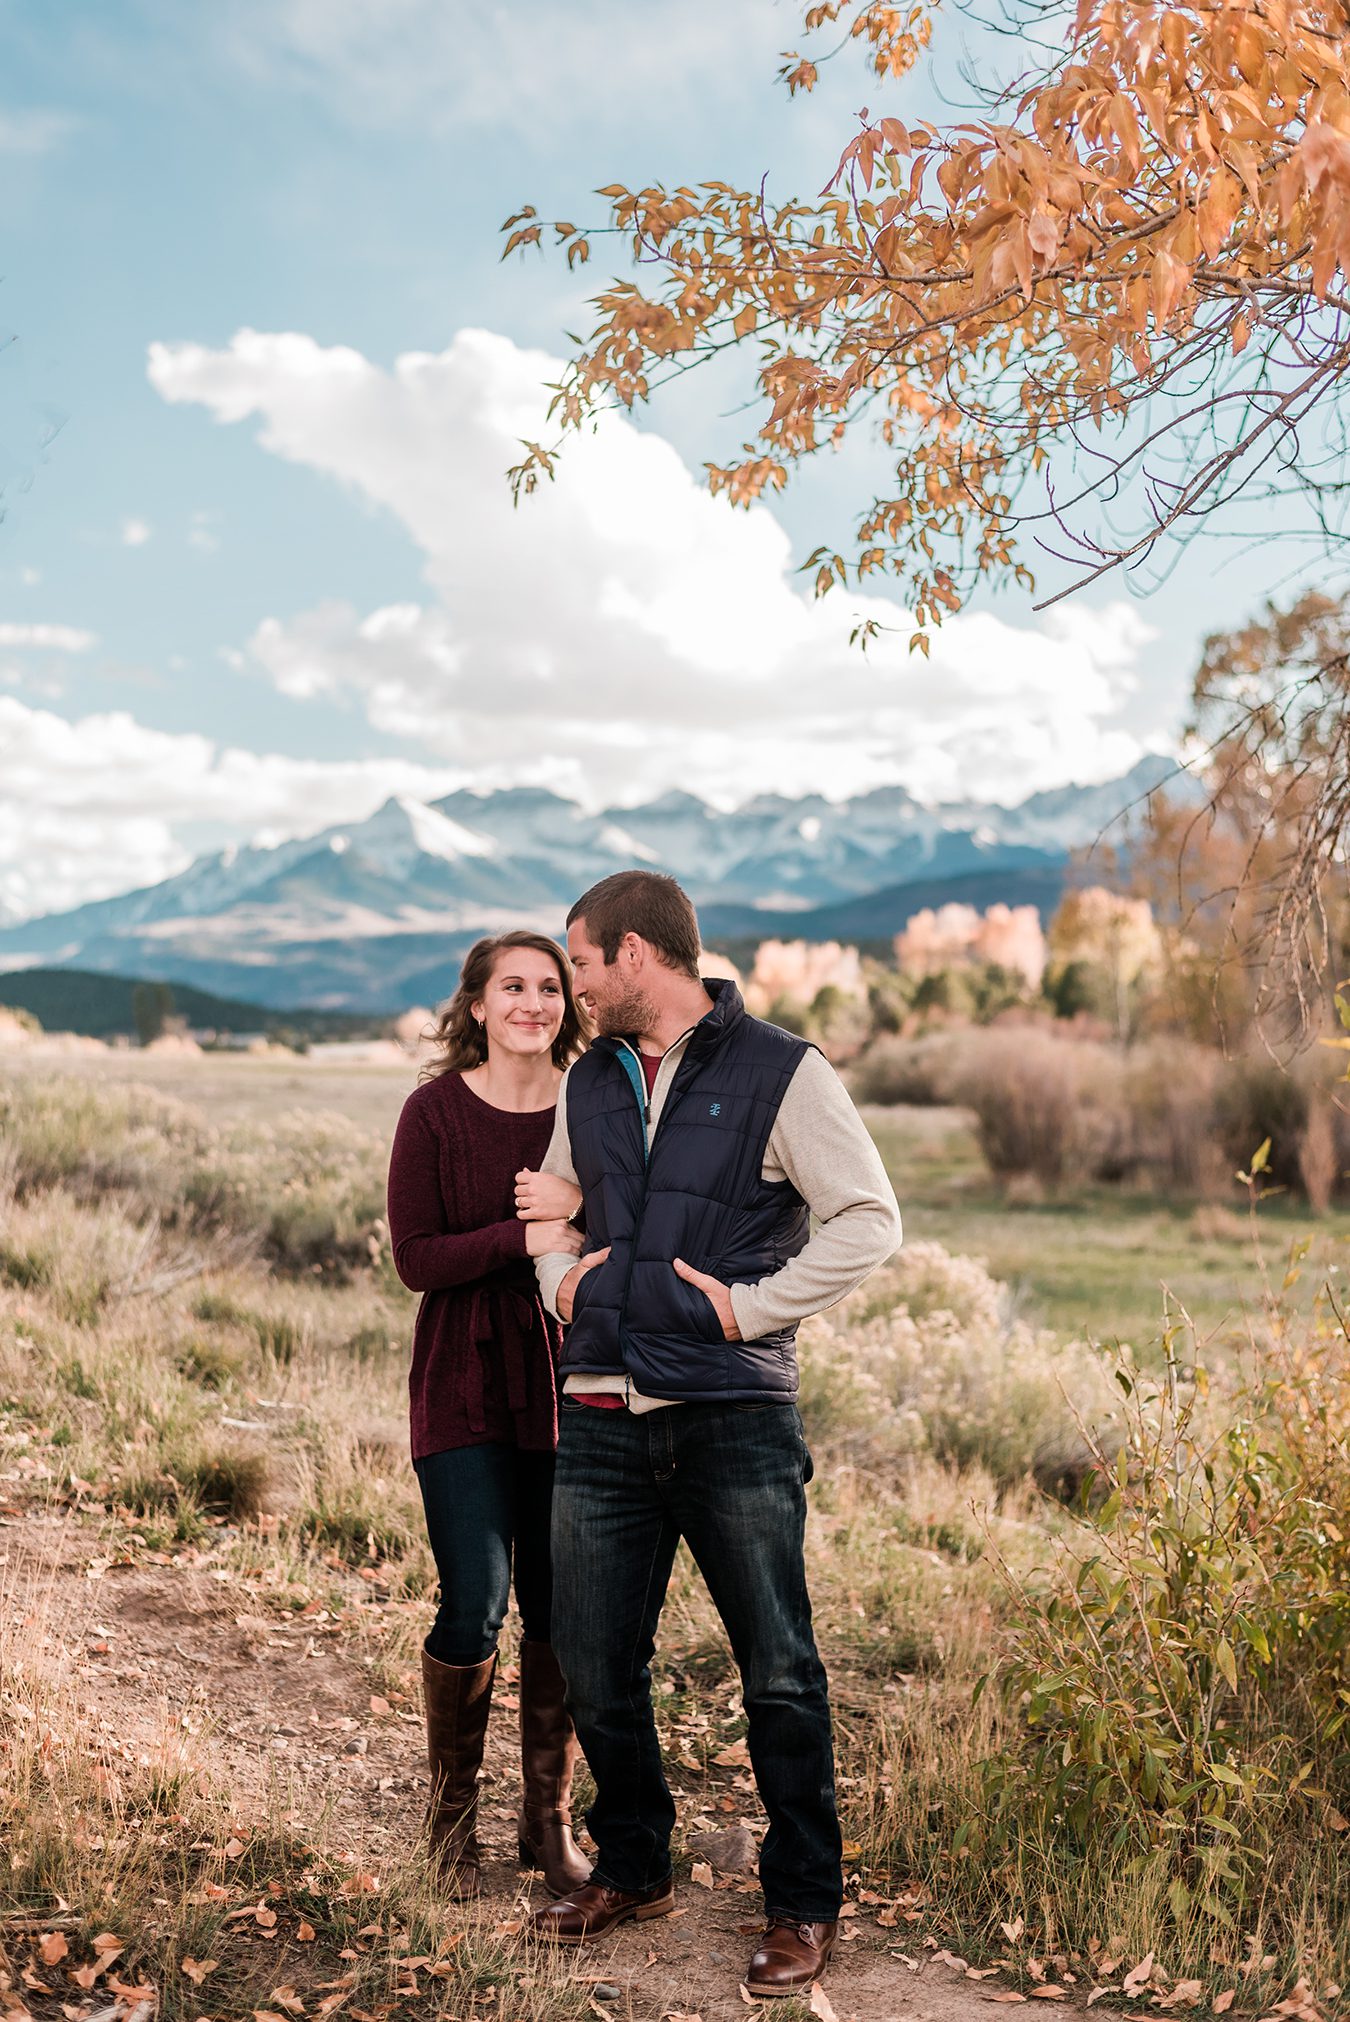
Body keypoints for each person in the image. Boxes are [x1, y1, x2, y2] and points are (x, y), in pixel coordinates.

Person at [518, 870, 902, 2000]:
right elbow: (551, 1191)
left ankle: (801, 1904)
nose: (574, 984)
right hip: (598, 1412)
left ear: (637, 955)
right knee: (595, 1664)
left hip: (733, 1419)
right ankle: (633, 1868)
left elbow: (870, 1218)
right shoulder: (588, 1081)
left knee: (778, 1670)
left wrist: (748, 1309)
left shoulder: (782, 1069)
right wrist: (558, 1286)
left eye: (581, 962)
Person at [386, 930, 593, 1900]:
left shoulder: (589, 1110)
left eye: (549, 986)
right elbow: (417, 1259)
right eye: (512, 985)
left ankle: (545, 1826)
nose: (532, 1002)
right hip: (460, 1379)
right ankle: (452, 1824)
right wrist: (525, 1233)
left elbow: (617, 1225)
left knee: (559, 1604)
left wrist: (572, 1230)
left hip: (569, 1376)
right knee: (475, 1600)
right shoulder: (431, 1114)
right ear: (477, 1004)